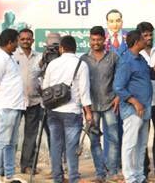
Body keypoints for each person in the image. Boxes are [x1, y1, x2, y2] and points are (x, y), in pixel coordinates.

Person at [41, 35, 91, 183]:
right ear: (75, 49)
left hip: (53, 111)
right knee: (71, 147)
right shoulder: (81, 65)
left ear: (62, 48)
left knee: (56, 146)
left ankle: (58, 178)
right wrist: (88, 112)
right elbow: (84, 92)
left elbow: (45, 88)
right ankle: (73, 178)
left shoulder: (52, 64)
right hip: (71, 112)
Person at [81, 26, 121, 182]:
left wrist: (118, 96)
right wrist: (85, 109)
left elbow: (120, 79)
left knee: (114, 138)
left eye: (99, 39)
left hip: (110, 104)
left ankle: (112, 172)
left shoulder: (113, 57)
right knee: (94, 140)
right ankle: (99, 173)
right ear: (89, 40)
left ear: (104, 40)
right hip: (92, 107)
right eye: (93, 40)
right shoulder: (84, 59)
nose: (96, 42)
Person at [0, 29, 26, 183]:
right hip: (6, 106)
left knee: (12, 142)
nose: (17, 45)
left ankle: (9, 175)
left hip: (16, 105)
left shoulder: (9, 58)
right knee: (2, 141)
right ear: (10, 42)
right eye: (16, 41)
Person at [115, 30, 154, 183]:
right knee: (130, 144)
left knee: (142, 144)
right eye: (144, 38)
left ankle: (139, 176)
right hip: (133, 110)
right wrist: (134, 101)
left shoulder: (141, 59)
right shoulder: (126, 61)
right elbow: (118, 87)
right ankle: (130, 177)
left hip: (145, 108)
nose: (147, 40)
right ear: (137, 42)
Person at [12, 29, 42, 175]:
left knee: (31, 135)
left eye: (28, 39)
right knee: (12, 135)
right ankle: (7, 166)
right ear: (18, 40)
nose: (25, 41)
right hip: (15, 102)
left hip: (34, 101)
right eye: (22, 39)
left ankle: (28, 166)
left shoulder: (39, 57)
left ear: (33, 40)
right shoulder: (11, 56)